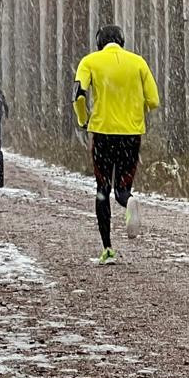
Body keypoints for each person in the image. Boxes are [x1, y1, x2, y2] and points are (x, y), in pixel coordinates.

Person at [73, 25, 160, 264]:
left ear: (99, 42)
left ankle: (108, 248)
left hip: (102, 132)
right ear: (121, 41)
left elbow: (78, 94)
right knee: (122, 186)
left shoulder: (90, 62)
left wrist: (84, 119)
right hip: (131, 134)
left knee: (102, 189)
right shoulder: (138, 62)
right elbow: (154, 100)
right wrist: (135, 111)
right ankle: (127, 200)